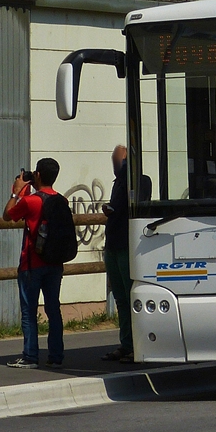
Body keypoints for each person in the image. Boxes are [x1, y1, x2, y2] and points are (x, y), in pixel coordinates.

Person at [3, 158, 64, 369]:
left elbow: (7, 215)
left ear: (37, 175)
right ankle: (56, 356)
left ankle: (30, 356)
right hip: (55, 263)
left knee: (29, 311)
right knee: (53, 309)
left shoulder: (31, 201)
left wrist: (16, 191)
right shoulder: (60, 200)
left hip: (32, 263)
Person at [101, 145, 134, 363]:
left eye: (118, 161)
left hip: (126, 244)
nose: (115, 166)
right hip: (113, 243)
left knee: (129, 296)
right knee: (121, 297)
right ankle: (127, 343)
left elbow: (125, 207)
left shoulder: (136, 180)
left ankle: (134, 343)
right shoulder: (117, 183)